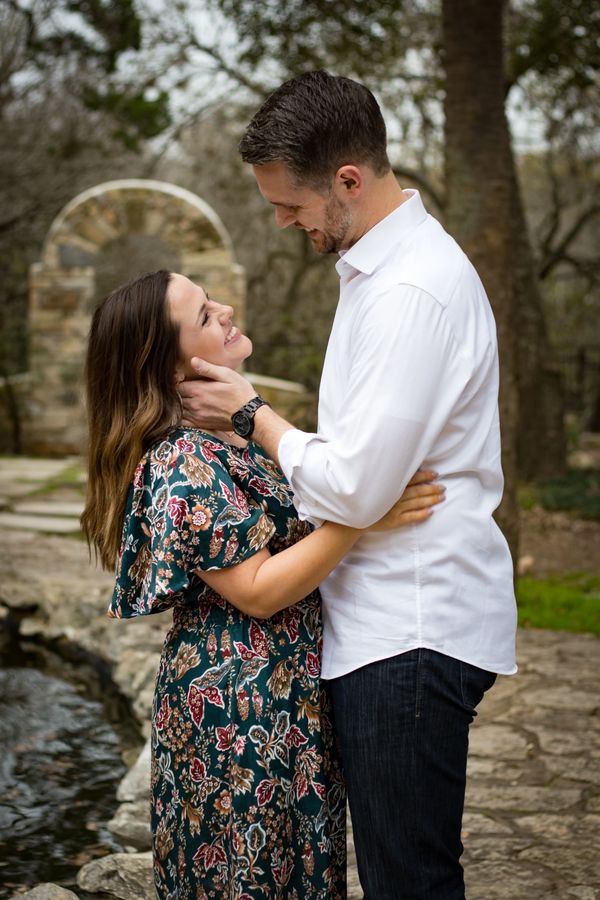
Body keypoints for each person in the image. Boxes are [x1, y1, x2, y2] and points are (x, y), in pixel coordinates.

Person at [178, 70, 518, 899]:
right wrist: (341, 482)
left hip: (409, 625)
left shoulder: (408, 291)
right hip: (389, 624)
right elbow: (355, 477)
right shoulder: (380, 274)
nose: (285, 222)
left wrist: (256, 414)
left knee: (410, 882)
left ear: (349, 182)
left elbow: (358, 488)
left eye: (289, 205)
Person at [80, 269, 444, 899]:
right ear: (171, 368)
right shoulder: (180, 460)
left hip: (280, 698)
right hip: (233, 710)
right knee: (247, 878)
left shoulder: (228, 440)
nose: (224, 310)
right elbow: (256, 589)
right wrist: (361, 514)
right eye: (202, 315)